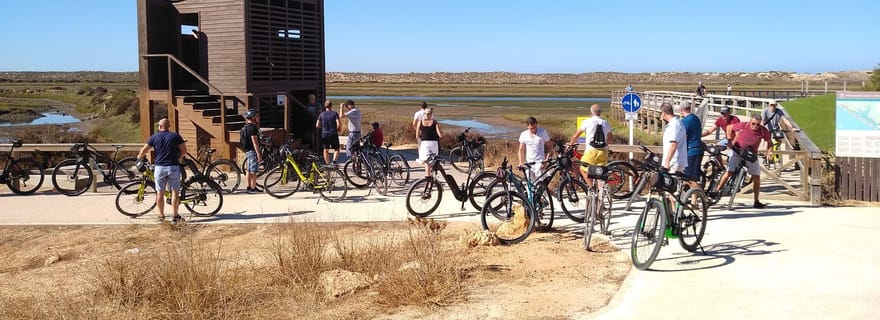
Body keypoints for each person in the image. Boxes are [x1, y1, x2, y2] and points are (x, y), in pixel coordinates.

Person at [710, 114, 772, 209]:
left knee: (756, 176)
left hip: (751, 154)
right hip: (738, 151)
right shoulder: (744, 125)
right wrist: (729, 140)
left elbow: (769, 142)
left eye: (757, 124)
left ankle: (756, 200)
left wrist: (769, 152)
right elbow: (729, 127)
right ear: (750, 122)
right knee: (729, 171)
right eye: (753, 123)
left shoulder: (763, 131)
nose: (755, 126)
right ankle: (717, 190)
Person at [136, 118, 186, 223]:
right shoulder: (175, 136)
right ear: (169, 126)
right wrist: (179, 158)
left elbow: (144, 150)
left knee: (160, 192)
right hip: (173, 167)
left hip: (159, 167)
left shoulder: (154, 137)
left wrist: (140, 157)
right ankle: (175, 216)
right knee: (175, 192)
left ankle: (161, 216)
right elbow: (184, 150)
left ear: (159, 126)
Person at [568, 104, 612, 184]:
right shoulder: (606, 123)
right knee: (600, 173)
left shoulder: (587, 122)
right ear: (600, 112)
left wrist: (570, 145)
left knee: (583, 169)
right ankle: (601, 192)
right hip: (603, 151)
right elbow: (610, 139)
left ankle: (591, 189)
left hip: (591, 150)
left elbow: (576, 135)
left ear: (591, 112)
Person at [679, 102, 703, 187]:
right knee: (690, 178)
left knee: (690, 179)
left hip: (691, 151)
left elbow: (683, 137)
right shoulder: (696, 118)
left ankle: (703, 196)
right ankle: (693, 200)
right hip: (699, 149)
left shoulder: (685, 121)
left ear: (681, 110)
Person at [660, 102, 687, 173]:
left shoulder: (674, 125)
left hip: (673, 162)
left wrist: (667, 162)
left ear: (663, 113)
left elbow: (673, 144)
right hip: (674, 161)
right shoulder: (677, 123)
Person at [240, 109, 263, 193]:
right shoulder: (253, 128)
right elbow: (255, 142)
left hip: (247, 150)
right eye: (257, 116)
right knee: (254, 170)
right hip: (252, 151)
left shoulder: (245, 127)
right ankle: (253, 188)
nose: (259, 118)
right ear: (253, 118)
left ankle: (249, 186)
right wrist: (258, 154)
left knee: (248, 170)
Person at [416, 108, 443, 177]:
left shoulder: (420, 122)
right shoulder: (435, 122)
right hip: (434, 144)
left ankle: (428, 178)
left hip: (425, 144)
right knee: (433, 161)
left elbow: (417, 136)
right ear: (431, 114)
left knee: (427, 162)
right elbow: (440, 135)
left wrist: (423, 135)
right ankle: (432, 177)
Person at [316, 100, 341, 165]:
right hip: (333, 133)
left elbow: (317, 125)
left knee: (325, 150)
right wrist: (338, 129)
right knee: (336, 149)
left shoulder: (321, 114)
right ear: (331, 106)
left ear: (325, 106)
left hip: (325, 134)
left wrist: (322, 128)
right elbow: (338, 124)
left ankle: (327, 163)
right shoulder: (334, 113)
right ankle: (334, 162)